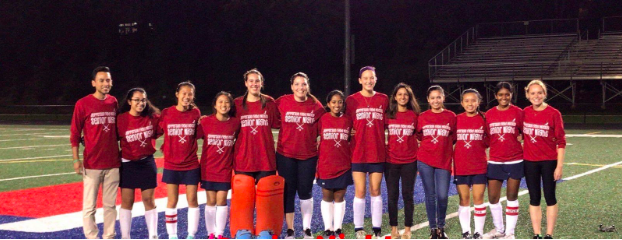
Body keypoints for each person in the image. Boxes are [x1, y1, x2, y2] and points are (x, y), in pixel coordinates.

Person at [70, 66, 120, 239]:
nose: (105, 83)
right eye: (101, 80)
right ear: (93, 83)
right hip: (92, 163)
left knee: (110, 206)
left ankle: (109, 236)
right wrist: (76, 159)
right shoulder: (82, 104)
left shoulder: (114, 102)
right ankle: (92, 237)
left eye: (108, 80)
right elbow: (75, 134)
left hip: (113, 162)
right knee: (90, 206)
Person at [275, 72, 325, 239]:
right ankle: (290, 229)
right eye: (297, 84)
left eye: (303, 84)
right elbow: (269, 114)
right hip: (285, 154)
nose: (300, 87)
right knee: (287, 192)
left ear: (308, 86)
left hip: (308, 155)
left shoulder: (316, 105)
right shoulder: (282, 101)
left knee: (306, 191)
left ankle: (306, 228)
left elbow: (325, 124)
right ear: (291, 87)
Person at [345, 66, 389, 239]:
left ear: (376, 79)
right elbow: (345, 121)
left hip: (377, 151)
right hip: (358, 151)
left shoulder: (383, 99)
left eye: (372, 78)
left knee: (376, 189)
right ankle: (359, 228)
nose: (369, 81)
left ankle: (377, 228)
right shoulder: (351, 100)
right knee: (360, 191)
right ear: (360, 80)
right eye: (365, 78)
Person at [158, 81, 202, 239]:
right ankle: (172, 235)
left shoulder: (195, 113)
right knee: (172, 200)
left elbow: (200, 133)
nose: (187, 96)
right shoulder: (167, 113)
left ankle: (191, 235)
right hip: (171, 163)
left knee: (192, 199)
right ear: (177, 94)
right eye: (184, 93)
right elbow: (156, 130)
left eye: (190, 93)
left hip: (190, 163)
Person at [522, 80, 566, 239]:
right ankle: (537, 233)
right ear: (527, 95)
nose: (536, 96)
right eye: (532, 93)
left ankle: (549, 234)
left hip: (549, 161)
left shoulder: (554, 113)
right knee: (534, 197)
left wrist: (559, 166)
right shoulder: (524, 112)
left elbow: (561, 141)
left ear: (545, 94)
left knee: (550, 196)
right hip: (529, 161)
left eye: (539, 93)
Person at [117, 88, 161, 239]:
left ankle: (153, 235)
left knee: (149, 199)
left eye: (143, 100)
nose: (140, 103)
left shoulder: (153, 118)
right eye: (136, 100)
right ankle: (125, 236)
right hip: (128, 164)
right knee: (127, 201)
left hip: (147, 162)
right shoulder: (121, 119)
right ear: (129, 101)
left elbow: (171, 121)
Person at [484, 82, 524, 239]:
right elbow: (486, 136)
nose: (504, 97)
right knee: (493, 198)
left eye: (507, 94)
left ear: (511, 95)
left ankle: (510, 233)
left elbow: (525, 130)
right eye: (500, 94)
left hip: (514, 160)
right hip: (495, 160)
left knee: (512, 196)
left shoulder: (519, 112)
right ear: (495, 96)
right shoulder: (489, 114)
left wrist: (521, 137)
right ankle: (499, 229)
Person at [197, 91, 240, 239]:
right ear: (215, 105)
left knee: (221, 200)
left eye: (227, 102)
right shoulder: (206, 122)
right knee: (210, 201)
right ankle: (211, 234)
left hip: (225, 169)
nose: (223, 105)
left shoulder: (235, 122)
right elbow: (192, 137)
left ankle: (220, 234)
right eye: (220, 102)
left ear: (231, 105)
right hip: (208, 168)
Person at [416, 85, 456, 239]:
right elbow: (420, 136)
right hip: (425, 160)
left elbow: (453, 137)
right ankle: (433, 229)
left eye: (438, 97)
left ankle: (441, 225)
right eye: (432, 98)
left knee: (443, 196)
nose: (436, 100)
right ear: (428, 100)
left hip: (444, 161)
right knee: (430, 195)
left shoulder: (451, 116)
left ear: (443, 98)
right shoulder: (422, 117)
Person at [384, 83, 421, 239]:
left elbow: (421, 136)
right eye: (399, 94)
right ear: (395, 97)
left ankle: (407, 229)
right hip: (391, 161)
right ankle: (394, 228)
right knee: (392, 195)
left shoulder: (415, 115)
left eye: (405, 94)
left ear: (409, 97)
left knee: (408, 195)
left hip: (409, 161)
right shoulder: (388, 115)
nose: (402, 97)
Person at [317, 90, 353, 239]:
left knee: (339, 196)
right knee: (327, 196)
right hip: (326, 164)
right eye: (334, 102)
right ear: (328, 104)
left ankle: (338, 227)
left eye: (340, 102)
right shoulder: (323, 119)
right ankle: (328, 228)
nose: (337, 105)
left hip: (343, 163)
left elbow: (352, 137)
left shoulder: (348, 120)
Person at [233, 68, 280, 181]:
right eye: (251, 81)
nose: (254, 84)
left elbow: (279, 123)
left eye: (257, 81)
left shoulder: (269, 102)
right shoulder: (237, 104)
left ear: (262, 83)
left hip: (265, 160)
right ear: (246, 83)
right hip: (243, 159)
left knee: (266, 198)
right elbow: (226, 124)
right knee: (245, 198)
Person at [454, 89, 488, 239]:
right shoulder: (456, 119)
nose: (470, 103)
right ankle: (466, 230)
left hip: (479, 165)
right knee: (464, 199)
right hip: (461, 165)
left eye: (473, 100)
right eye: (466, 101)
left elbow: (489, 138)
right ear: (462, 103)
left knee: (479, 198)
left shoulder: (484, 118)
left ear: (478, 102)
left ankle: (478, 231)